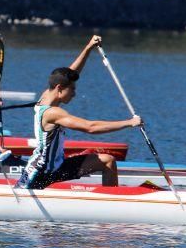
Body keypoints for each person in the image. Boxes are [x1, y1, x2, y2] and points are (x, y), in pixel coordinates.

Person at [17, 35, 142, 189]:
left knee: (107, 160)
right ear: (59, 89)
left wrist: (89, 47)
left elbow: (69, 73)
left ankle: (111, 203)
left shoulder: (46, 95)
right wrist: (129, 123)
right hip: (40, 172)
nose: (74, 94)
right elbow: (91, 127)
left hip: (57, 166)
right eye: (72, 90)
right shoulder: (53, 113)